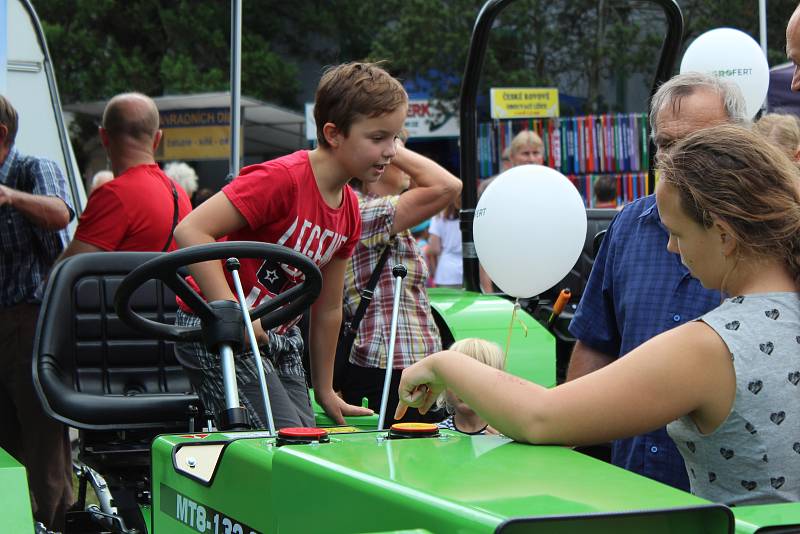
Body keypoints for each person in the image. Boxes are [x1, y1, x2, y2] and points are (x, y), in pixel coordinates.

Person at [398, 124, 800, 506]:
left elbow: (540, 417)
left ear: (725, 235)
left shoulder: (712, 346)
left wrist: (445, 363)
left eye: (677, 233)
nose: (672, 249)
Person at [173, 62, 407, 428]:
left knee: (309, 443)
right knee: (285, 442)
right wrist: (236, 317)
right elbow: (191, 231)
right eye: (378, 138)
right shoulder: (281, 180)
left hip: (280, 336)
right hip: (216, 327)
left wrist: (326, 390)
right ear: (333, 134)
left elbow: (329, 309)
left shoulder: (349, 212)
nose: (391, 150)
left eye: (395, 137)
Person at [565, 72, 748, 491]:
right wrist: (568, 437)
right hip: (632, 487)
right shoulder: (629, 225)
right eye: (666, 143)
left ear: (737, 142)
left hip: (728, 497)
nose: (677, 156)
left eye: (697, 142)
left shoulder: (765, 236)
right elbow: (597, 339)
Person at [340, 132, 461, 420]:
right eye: (392, 148)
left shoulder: (389, 211)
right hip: (385, 366)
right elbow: (448, 186)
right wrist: (393, 146)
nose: (400, 158)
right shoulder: (359, 209)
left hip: (410, 361)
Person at [0, 95, 74, 531]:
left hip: (31, 322)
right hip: (6, 321)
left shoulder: (30, 168)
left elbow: (60, 213)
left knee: (44, 441)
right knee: (7, 440)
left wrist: (11, 197)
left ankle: (57, 523)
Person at [58, 93, 192, 260]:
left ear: (104, 137)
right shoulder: (179, 194)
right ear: (157, 139)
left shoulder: (113, 195)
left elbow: (67, 272)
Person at [436, 338, 504, 435]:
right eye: (457, 377)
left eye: (477, 378)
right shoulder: (435, 434)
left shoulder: (506, 434)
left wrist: (502, 446)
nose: (466, 388)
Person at [428, 197, 462, 288]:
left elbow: (434, 249)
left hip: (446, 273)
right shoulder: (473, 215)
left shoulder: (438, 217)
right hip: (471, 270)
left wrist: (435, 274)